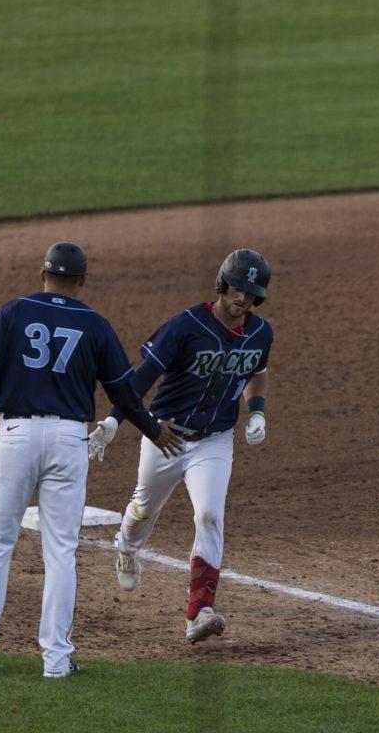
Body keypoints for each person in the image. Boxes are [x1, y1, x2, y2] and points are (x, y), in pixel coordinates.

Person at [0, 242, 182, 677]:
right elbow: (123, 392)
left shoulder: (13, 312)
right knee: (60, 551)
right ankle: (56, 660)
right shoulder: (94, 324)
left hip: (16, 433)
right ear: (81, 281)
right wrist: (153, 429)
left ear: (42, 275)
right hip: (69, 439)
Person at [87, 249, 273, 644]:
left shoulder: (261, 333)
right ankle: (126, 547)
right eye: (238, 288)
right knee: (142, 509)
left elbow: (257, 372)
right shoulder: (185, 326)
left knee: (208, 515)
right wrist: (113, 422)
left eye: (252, 294)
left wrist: (257, 412)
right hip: (164, 436)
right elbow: (139, 381)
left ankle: (199, 612)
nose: (244, 298)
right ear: (223, 285)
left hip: (215, 441)